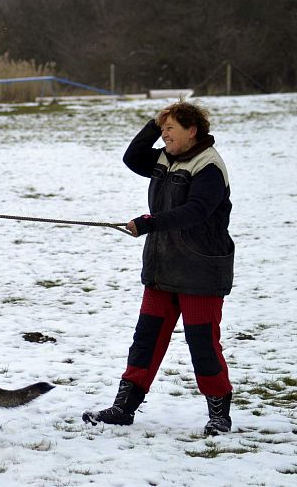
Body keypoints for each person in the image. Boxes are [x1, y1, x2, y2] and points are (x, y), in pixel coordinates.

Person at [82, 101, 235, 435]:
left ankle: (219, 414)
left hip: (201, 270)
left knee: (203, 344)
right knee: (146, 339)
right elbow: (133, 156)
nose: (164, 135)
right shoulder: (164, 158)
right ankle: (124, 408)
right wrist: (155, 123)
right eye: (162, 129)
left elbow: (195, 211)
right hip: (162, 266)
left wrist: (149, 223)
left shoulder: (209, 166)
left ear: (192, 131)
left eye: (170, 129)